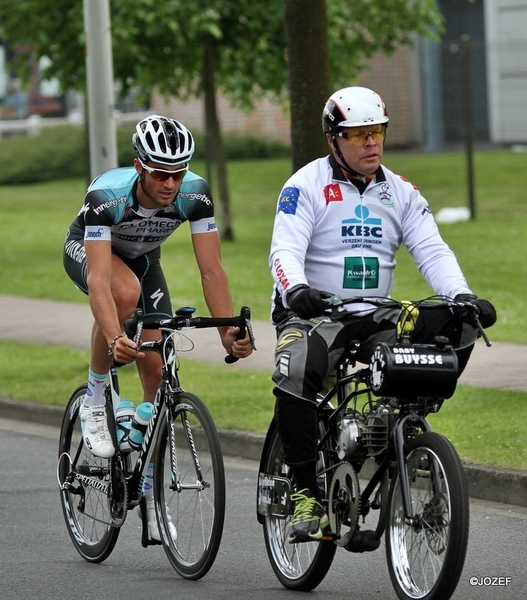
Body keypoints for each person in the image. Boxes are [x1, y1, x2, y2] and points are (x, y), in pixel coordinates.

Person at [269, 86, 496, 544]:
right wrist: (296, 291)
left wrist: (463, 295)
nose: (372, 142)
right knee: (295, 367)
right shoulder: (305, 185)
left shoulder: (402, 192)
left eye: (378, 132)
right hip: (315, 314)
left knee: (461, 323)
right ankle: (305, 493)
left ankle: (405, 426)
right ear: (333, 139)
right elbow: (285, 248)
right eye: (359, 135)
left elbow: (432, 251)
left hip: (376, 317)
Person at [64, 114, 253, 540]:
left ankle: (142, 459)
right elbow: (99, 281)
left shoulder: (195, 194)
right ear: (139, 166)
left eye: (178, 173)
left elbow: (212, 270)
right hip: (90, 250)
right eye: (161, 174)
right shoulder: (106, 197)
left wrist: (226, 331)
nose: (171, 184)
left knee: (155, 365)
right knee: (123, 295)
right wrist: (115, 337)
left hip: (145, 261)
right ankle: (96, 397)